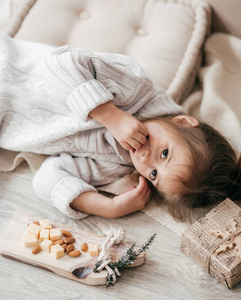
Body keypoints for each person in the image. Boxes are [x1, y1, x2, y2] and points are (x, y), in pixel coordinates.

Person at [0, 36, 240, 222]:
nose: (146, 160)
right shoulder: (134, 88)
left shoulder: (113, 165)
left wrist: (107, 207)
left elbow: (46, 178)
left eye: (154, 174)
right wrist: (110, 115)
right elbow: (58, 64)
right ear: (184, 122)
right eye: (164, 154)